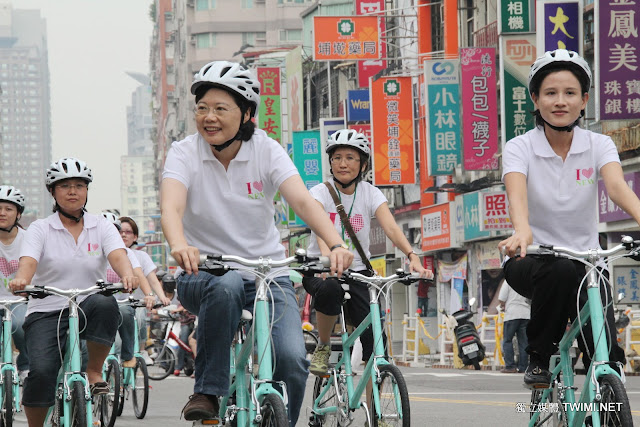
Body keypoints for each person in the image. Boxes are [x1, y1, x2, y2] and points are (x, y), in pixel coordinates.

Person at [160, 60, 353, 424]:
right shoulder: (184, 152)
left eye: (220, 109)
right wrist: (179, 244)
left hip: (267, 274)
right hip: (203, 274)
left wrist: (336, 244)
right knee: (227, 284)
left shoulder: (266, 149)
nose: (209, 117)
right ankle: (208, 391)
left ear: (247, 113)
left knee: (291, 360)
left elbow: (302, 201)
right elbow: (172, 205)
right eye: (202, 108)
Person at [499, 49, 640, 388]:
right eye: (550, 93)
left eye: (570, 93)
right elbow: (517, 195)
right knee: (559, 269)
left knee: (605, 350)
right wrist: (522, 231)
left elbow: (617, 188)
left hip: (587, 265)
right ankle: (538, 358)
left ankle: (604, 396)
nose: (560, 101)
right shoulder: (519, 147)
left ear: (584, 100)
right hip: (530, 258)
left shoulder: (599, 144)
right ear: (535, 99)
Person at [9, 157, 139, 426]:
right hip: (46, 309)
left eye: (79, 186)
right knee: (41, 373)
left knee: (106, 303)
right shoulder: (40, 228)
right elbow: (28, 262)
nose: (72, 191)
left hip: (88, 305)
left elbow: (118, 255)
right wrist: (22, 279)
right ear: (52, 192)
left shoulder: (101, 226)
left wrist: (127, 274)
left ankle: (94, 371)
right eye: (64, 186)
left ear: (87, 190)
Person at [303, 129, 433, 378]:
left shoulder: (371, 193)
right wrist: (328, 261)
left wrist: (412, 256)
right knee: (330, 289)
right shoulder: (319, 192)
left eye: (350, 158)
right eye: (337, 158)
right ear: (330, 162)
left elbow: (391, 228)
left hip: (358, 274)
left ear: (363, 164)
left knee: (376, 348)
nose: (343, 164)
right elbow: (320, 228)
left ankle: (378, 401)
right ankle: (324, 345)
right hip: (321, 269)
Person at [119, 216, 171, 364]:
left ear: (135, 236)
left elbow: (151, 278)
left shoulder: (140, 256)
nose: (123, 235)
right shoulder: (109, 255)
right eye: (120, 232)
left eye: (128, 232)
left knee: (140, 317)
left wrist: (161, 296)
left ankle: (142, 349)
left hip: (136, 303)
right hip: (114, 304)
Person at [0, 185, 29, 381]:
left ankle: (26, 367)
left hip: (19, 301)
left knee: (20, 325)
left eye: (8, 209)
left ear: (18, 214)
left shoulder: (29, 239)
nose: (2, 213)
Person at [498, 281, 530, 373]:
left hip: (512, 314)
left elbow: (502, 298)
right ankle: (523, 367)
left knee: (507, 340)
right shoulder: (527, 281)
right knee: (524, 342)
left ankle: (510, 366)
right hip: (526, 314)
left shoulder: (508, 280)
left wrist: (502, 305)